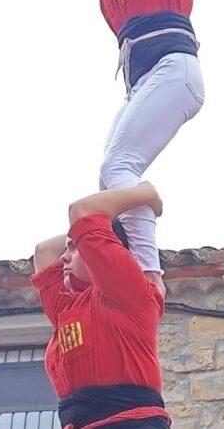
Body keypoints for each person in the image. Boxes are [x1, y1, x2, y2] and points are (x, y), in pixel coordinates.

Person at [67, 0, 204, 298]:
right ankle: (131, 260)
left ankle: (149, 270)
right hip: (147, 80)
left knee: (117, 166)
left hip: (173, 68)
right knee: (110, 178)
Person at [31, 182, 169, 429]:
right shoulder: (69, 308)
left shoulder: (128, 291)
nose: (63, 257)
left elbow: (82, 210)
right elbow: (43, 252)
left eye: (73, 248)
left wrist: (143, 195)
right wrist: (83, 234)